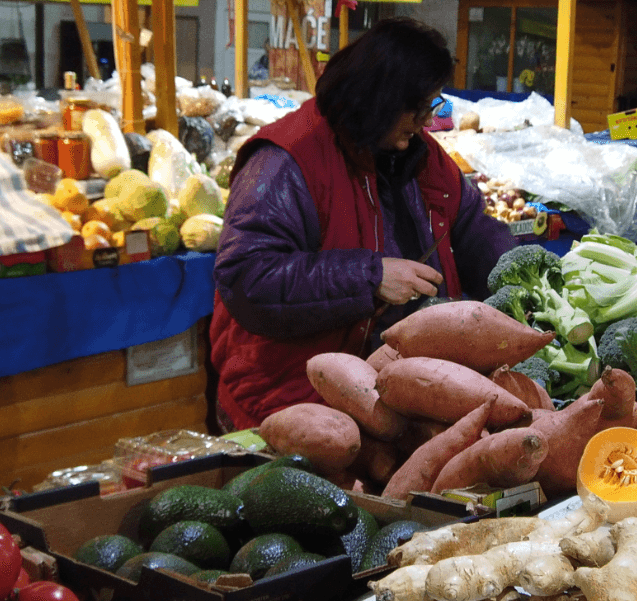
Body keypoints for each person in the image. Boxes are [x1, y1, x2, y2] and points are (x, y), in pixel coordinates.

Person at [210, 18, 516, 433]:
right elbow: (247, 278)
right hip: (292, 398)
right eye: (419, 108)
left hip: (392, 398)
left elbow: (473, 229)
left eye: (432, 106)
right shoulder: (286, 160)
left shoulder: (421, 157)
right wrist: (369, 277)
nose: (426, 121)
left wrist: (522, 283)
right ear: (381, 100)